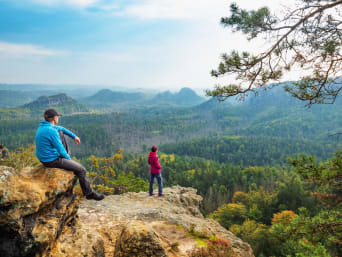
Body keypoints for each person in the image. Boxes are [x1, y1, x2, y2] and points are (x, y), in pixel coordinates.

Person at [35, 109, 104, 201]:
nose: (58, 118)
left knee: (60, 132)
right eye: (57, 116)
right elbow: (60, 149)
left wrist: (74, 136)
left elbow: (62, 129)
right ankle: (89, 193)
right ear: (54, 118)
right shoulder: (51, 131)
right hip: (51, 161)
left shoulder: (43, 127)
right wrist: (69, 160)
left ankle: (88, 192)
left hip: (44, 159)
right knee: (81, 170)